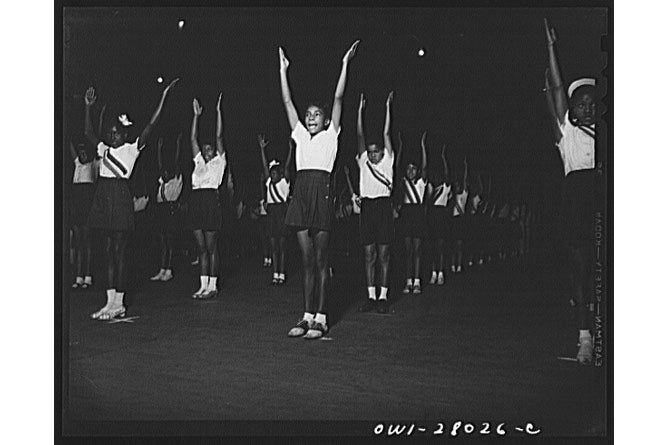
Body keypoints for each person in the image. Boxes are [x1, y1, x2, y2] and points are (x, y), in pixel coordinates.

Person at [278, 41, 360, 339]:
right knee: (306, 262)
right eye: (309, 114)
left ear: (325, 121)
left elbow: (338, 97)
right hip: (301, 194)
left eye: (316, 114)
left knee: (323, 261)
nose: (310, 117)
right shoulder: (300, 137)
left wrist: (344, 64)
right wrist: (282, 70)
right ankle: (306, 315)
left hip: (321, 192)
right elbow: (288, 104)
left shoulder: (331, 138)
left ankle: (322, 318)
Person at [83, 78, 179, 320]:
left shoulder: (132, 149)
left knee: (119, 250)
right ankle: (109, 302)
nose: (112, 136)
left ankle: (120, 303)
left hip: (120, 195)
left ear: (124, 134)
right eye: (110, 133)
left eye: (116, 133)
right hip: (103, 197)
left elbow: (151, 124)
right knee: (107, 251)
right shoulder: (104, 150)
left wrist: (164, 96)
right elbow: (87, 132)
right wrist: (87, 106)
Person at [544, 18, 598, 364]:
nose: (587, 107)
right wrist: (551, 48)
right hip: (577, 195)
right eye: (581, 103)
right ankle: (585, 341)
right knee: (580, 268)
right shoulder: (569, 134)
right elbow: (558, 86)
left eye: (593, 102)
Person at [354, 91, 396, 314]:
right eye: (369, 153)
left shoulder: (388, 161)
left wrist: (388, 107)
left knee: (383, 254)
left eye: (376, 152)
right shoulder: (363, 162)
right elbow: (359, 135)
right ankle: (371, 295)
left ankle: (383, 296)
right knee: (369, 254)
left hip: (383, 207)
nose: (372, 156)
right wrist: (359, 111)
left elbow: (386, 132)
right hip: (368, 207)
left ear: (382, 152)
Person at [189, 94, 227, 299]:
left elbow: (219, 136)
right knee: (201, 248)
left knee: (212, 248)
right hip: (197, 201)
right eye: (204, 149)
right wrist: (196, 116)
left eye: (209, 148)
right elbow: (192, 139)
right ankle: (203, 285)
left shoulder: (219, 163)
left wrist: (218, 112)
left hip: (211, 200)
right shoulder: (198, 164)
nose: (206, 151)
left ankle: (213, 285)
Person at [258, 134, 293, 285]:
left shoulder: (284, 183)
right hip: (272, 214)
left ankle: (282, 272)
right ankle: (275, 272)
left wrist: (291, 150)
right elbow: (265, 167)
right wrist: (262, 150)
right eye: (271, 174)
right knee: (274, 245)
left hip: (282, 213)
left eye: (274, 174)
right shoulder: (268, 184)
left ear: (280, 175)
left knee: (282, 245)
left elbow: (287, 167)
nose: (272, 176)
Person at [150, 134, 184, 282]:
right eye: (162, 173)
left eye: (166, 172)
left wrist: (178, 144)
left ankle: (169, 269)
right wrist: (159, 148)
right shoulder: (161, 182)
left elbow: (176, 162)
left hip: (171, 209)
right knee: (162, 241)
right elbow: (159, 165)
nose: (163, 174)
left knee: (170, 241)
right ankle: (162, 269)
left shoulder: (175, 181)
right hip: (161, 210)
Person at [398, 131, 428, 294]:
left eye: (413, 169)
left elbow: (425, 166)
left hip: (418, 214)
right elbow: (396, 166)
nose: (410, 171)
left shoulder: (421, 182)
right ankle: (408, 280)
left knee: (417, 249)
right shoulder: (403, 183)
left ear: (417, 171)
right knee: (407, 249)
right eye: (408, 169)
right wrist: (400, 147)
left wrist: (422, 146)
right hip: (407, 214)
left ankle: (417, 281)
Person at [68, 139, 98, 289]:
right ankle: (79, 276)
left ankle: (88, 276)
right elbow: (70, 146)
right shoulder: (78, 165)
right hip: (77, 208)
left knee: (87, 243)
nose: (82, 155)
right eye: (80, 153)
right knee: (79, 243)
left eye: (85, 153)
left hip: (87, 207)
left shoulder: (93, 166)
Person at [426, 141, 452, 286]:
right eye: (434, 175)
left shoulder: (446, 187)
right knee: (432, 246)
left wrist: (443, 158)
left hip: (442, 215)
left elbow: (447, 174)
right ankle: (433, 272)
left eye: (438, 175)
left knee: (441, 245)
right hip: (432, 215)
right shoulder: (431, 188)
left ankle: (441, 272)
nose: (436, 177)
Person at [450, 158, 468, 274]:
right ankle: (452, 264)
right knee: (452, 244)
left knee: (459, 244)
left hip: (460, 220)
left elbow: (466, 181)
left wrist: (466, 168)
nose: (457, 187)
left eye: (458, 185)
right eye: (455, 185)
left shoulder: (464, 195)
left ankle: (460, 265)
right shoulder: (452, 196)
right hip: (452, 220)